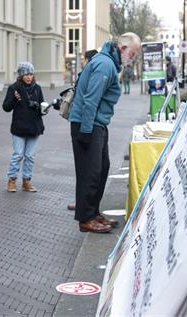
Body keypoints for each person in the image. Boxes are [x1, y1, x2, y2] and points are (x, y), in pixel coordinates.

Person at [69, 32, 141, 233]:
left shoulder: (108, 62)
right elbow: (91, 100)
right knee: (90, 172)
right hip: (88, 125)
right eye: (133, 53)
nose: (133, 58)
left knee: (100, 169)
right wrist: (86, 131)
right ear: (123, 48)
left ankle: (92, 212)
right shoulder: (105, 65)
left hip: (94, 124)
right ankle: (86, 218)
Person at [3, 62, 45, 193]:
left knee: (30, 156)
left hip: (34, 127)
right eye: (26, 74)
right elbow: (6, 107)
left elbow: (42, 105)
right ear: (21, 75)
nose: (29, 77)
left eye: (31, 74)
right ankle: (12, 180)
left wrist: (44, 108)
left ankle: (26, 181)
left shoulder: (37, 88)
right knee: (18, 155)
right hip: (19, 128)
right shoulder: (14, 88)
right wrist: (14, 99)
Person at [67, 49, 98, 211]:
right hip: (82, 123)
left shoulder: (88, 71)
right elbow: (88, 100)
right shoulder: (91, 72)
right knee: (86, 168)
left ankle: (83, 203)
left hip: (80, 122)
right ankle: (83, 204)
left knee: (84, 168)